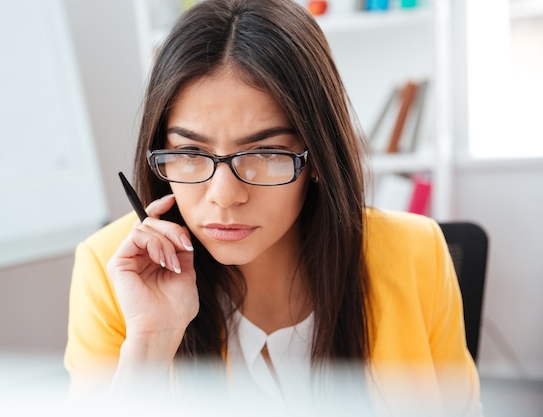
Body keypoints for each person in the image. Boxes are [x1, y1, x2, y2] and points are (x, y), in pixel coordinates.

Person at [64, 0, 482, 415]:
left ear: (316, 156)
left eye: (264, 153)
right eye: (191, 152)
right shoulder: (111, 271)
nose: (224, 194)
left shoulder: (416, 252)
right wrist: (151, 342)